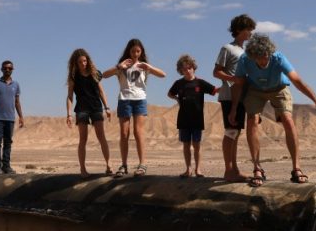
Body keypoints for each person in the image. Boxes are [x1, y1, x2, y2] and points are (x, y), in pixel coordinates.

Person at [229, 34, 316, 186]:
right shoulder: (245, 60)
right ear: (253, 57)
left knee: (287, 119)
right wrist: (234, 109)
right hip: (255, 90)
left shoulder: (278, 58)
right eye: (259, 58)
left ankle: (296, 168)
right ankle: (257, 168)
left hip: (279, 88)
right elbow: (239, 84)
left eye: (266, 56)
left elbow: (297, 81)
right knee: (252, 120)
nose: (263, 60)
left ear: (270, 53)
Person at [102, 39, 165, 177]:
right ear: (128, 51)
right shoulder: (122, 66)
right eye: (132, 51)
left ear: (141, 52)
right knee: (124, 133)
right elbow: (104, 75)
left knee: (138, 132)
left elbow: (163, 74)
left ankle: (142, 164)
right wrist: (119, 66)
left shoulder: (143, 66)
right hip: (124, 100)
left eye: (138, 51)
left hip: (139, 100)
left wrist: (149, 67)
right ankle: (124, 165)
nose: (135, 54)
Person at [213, 14, 256, 182]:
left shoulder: (245, 52)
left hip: (242, 98)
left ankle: (234, 170)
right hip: (228, 96)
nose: (250, 33)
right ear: (238, 30)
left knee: (236, 132)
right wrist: (233, 79)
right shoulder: (227, 48)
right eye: (248, 30)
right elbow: (216, 72)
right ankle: (228, 170)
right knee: (231, 131)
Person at [168, 54, 218, 178]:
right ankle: (188, 169)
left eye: (189, 68)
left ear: (193, 68)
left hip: (197, 119)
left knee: (197, 145)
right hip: (183, 119)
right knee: (186, 144)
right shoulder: (178, 83)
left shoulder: (200, 83)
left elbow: (214, 90)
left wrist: (228, 87)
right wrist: (176, 99)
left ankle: (198, 169)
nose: (187, 71)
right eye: (184, 69)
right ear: (181, 71)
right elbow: (169, 93)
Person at [66, 48, 112, 177]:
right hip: (81, 109)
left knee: (101, 137)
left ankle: (109, 165)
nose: (83, 64)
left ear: (88, 61)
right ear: (75, 63)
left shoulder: (94, 73)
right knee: (83, 139)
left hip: (96, 107)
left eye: (85, 61)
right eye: (80, 62)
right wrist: (69, 114)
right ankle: (83, 169)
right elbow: (69, 96)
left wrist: (107, 107)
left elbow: (101, 91)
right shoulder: (73, 77)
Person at [0, 60, 24, 177]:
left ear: (12, 70)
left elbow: (17, 102)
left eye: (10, 68)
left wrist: (21, 116)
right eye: (5, 68)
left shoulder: (16, 85)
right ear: (1, 69)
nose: (7, 70)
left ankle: (6, 166)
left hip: (10, 119)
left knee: (8, 143)